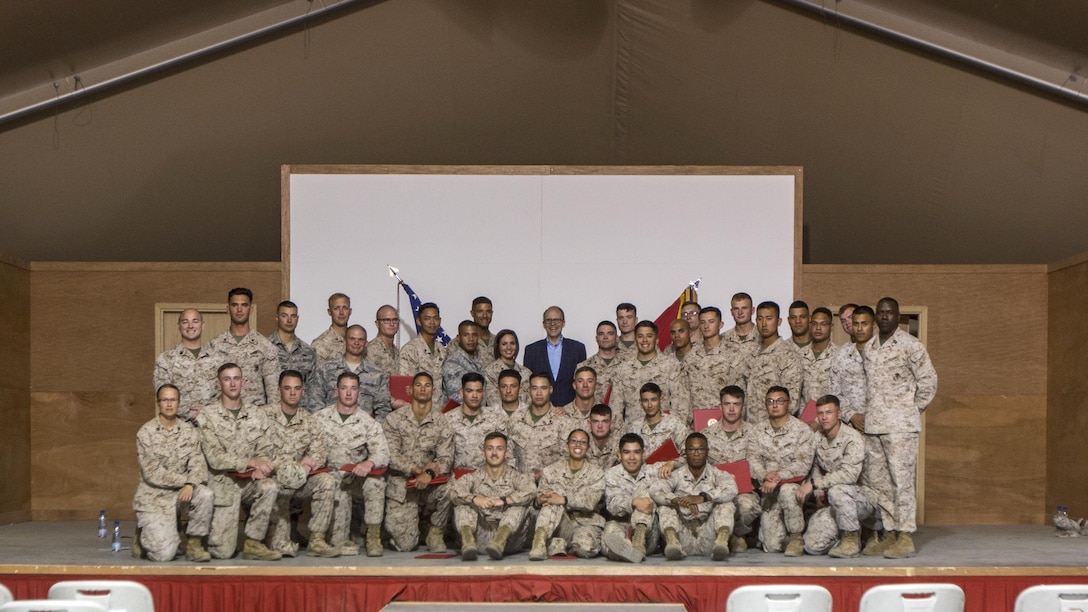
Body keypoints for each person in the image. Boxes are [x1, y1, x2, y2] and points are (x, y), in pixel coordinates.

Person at [862, 297, 938, 559]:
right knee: (880, 483)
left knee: (901, 481)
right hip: (874, 426)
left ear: (897, 316)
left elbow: (928, 381)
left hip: (900, 427)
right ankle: (890, 533)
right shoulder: (870, 347)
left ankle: (905, 536)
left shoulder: (910, 345)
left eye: (889, 313)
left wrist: (911, 410)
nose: (884, 317)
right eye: (880, 313)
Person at [198, 363, 281, 560]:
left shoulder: (257, 414)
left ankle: (253, 542)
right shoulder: (207, 416)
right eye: (227, 379)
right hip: (222, 483)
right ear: (219, 384)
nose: (232, 384)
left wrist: (262, 467)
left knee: (269, 486)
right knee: (222, 553)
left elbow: (266, 448)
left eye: (236, 379)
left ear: (243, 382)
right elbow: (215, 458)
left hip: (249, 481)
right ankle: (194, 536)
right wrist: (251, 462)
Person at [798, 395, 887, 558]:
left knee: (837, 491)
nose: (824, 417)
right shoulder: (817, 438)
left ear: (839, 414)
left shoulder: (852, 438)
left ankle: (851, 541)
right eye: (820, 413)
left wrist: (815, 484)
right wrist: (818, 493)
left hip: (862, 497)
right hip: (834, 500)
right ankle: (846, 534)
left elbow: (849, 475)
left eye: (829, 412)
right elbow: (816, 466)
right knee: (812, 546)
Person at [132, 384, 213, 562]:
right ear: (158, 403)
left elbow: (198, 465)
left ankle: (193, 545)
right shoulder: (146, 433)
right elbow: (153, 473)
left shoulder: (189, 431)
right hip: (155, 497)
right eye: (165, 400)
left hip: (181, 493)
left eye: (173, 400)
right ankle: (143, 531)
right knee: (164, 555)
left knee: (205, 495)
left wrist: (191, 484)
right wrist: (186, 481)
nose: (169, 404)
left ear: (178, 402)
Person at [263, 370, 338, 558]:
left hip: (301, 478)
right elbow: (255, 450)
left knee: (326, 481)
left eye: (297, 389)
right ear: (279, 390)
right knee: (281, 549)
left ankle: (317, 540)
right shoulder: (263, 416)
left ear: (303, 392)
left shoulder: (309, 421)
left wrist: (308, 466)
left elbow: (320, 451)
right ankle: (277, 539)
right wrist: (288, 465)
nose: (292, 393)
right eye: (287, 388)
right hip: (273, 479)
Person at [317, 371, 390, 557]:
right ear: (336, 391)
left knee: (377, 483)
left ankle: (373, 536)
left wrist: (369, 462)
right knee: (338, 543)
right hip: (331, 477)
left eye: (353, 389)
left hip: (357, 477)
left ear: (359, 392)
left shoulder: (368, 422)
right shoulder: (319, 419)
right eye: (344, 388)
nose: (348, 393)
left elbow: (383, 452)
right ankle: (338, 535)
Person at [382, 372, 454, 553]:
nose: (423, 389)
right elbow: (390, 454)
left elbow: (446, 458)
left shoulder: (442, 422)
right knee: (406, 545)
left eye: (427, 385)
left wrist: (429, 474)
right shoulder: (394, 419)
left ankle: (435, 531)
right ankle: (412, 524)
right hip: (402, 487)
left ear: (434, 390)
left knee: (453, 488)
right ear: (410, 389)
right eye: (419, 385)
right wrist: (417, 469)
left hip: (429, 484)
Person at [748, 386, 815, 556]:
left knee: (787, 491)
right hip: (768, 492)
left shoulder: (802, 430)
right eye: (770, 401)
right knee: (772, 546)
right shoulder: (757, 431)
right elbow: (752, 458)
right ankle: (785, 535)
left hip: (795, 488)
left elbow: (802, 463)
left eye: (780, 401)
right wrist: (764, 475)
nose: (775, 405)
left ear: (789, 404)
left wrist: (778, 477)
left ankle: (796, 537)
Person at [652, 432, 737, 561]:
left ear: (707, 451)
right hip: (682, 535)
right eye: (691, 449)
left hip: (709, 535)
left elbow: (732, 488)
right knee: (666, 506)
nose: (696, 453)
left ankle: (722, 542)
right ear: (685, 453)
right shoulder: (677, 474)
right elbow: (655, 490)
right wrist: (677, 500)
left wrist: (704, 497)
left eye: (700, 449)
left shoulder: (716, 474)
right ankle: (672, 544)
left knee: (726, 503)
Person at [451, 431, 536, 560]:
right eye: (490, 448)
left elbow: (531, 491)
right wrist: (475, 498)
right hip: (478, 539)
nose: (494, 453)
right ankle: (467, 541)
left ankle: (499, 540)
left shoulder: (516, 477)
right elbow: (454, 491)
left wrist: (504, 500)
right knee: (463, 504)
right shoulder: (474, 477)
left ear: (506, 452)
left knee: (519, 506)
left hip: (509, 542)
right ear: (483, 451)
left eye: (499, 449)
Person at [699, 385, 760, 552]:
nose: (732, 409)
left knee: (746, 506)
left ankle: (737, 535)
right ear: (720, 407)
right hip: (716, 491)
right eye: (727, 404)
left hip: (744, 491)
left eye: (736, 404)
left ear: (743, 407)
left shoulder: (755, 433)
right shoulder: (706, 435)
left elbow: (762, 463)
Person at [530, 428, 606, 560]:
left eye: (582, 442)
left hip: (586, 523)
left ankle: (561, 545)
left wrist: (564, 499)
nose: (578, 445)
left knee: (586, 549)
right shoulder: (550, 470)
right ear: (567, 445)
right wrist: (541, 499)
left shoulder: (597, 473)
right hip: (559, 524)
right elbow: (540, 500)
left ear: (588, 447)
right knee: (551, 503)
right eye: (574, 441)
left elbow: (590, 502)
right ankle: (539, 543)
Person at [207, 288, 279, 406]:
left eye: (244, 305)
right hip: (222, 419)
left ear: (251, 310)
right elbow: (209, 388)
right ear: (228, 309)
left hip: (255, 418)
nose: (239, 310)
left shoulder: (265, 347)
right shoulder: (213, 346)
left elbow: (273, 392)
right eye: (234, 305)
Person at [614, 320, 692, 426]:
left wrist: (673, 434)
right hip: (632, 435)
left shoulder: (672, 366)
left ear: (656, 340)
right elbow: (615, 410)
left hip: (664, 434)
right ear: (635, 340)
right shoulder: (623, 369)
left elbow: (681, 407)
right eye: (640, 336)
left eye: (649, 336)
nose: (644, 340)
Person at [308, 325, 393, 419]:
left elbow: (384, 410)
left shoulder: (377, 375)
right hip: (330, 429)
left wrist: (373, 431)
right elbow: (315, 403)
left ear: (366, 343)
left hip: (363, 430)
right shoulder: (326, 369)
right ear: (344, 342)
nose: (356, 343)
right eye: (352, 339)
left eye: (360, 340)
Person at [601, 433, 660, 563]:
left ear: (643, 453)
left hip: (647, 529)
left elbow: (684, 463)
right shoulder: (612, 474)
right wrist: (633, 502)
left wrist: (672, 463)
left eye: (636, 452)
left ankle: (638, 541)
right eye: (627, 452)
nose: (632, 457)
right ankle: (629, 551)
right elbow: (612, 506)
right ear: (619, 455)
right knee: (610, 537)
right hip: (621, 522)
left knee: (644, 497)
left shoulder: (654, 472)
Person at [153, 308, 217, 421]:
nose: (190, 325)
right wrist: (189, 413)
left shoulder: (217, 359)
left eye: (195, 321)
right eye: (185, 321)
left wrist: (208, 413)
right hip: (178, 428)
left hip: (212, 427)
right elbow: (163, 395)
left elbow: (227, 393)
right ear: (179, 326)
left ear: (203, 325)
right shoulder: (166, 359)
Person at [745, 301, 803, 423]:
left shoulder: (788, 356)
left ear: (779, 321)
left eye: (769, 318)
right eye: (760, 319)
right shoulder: (750, 353)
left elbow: (792, 403)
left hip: (774, 430)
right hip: (750, 429)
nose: (764, 324)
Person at [684, 306, 748, 411]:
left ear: (720, 325)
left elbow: (740, 391)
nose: (706, 326)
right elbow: (685, 393)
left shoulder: (734, 353)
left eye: (711, 321)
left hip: (726, 417)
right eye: (703, 322)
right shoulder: (690, 355)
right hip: (697, 419)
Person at [523, 306, 587, 407]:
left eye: (557, 320)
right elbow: (527, 384)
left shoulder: (578, 349)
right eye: (549, 320)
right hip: (541, 409)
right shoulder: (531, 350)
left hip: (570, 410)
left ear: (563, 323)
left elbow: (582, 382)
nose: (552, 324)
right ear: (543, 324)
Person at [445, 372, 510, 471]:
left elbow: (508, 451)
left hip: (487, 478)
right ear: (462, 393)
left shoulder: (496, 418)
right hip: (458, 479)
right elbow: (443, 455)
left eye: (478, 391)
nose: (474, 395)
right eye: (469, 391)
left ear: (483, 393)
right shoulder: (447, 420)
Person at [508, 372, 570, 476]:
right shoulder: (516, 418)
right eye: (534, 388)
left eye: (544, 388)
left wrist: (546, 474)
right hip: (521, 485)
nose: (539, 393)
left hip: (551, 485)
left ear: (551, 389)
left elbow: (567, 458)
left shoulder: (563, 422)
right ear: (529, 390)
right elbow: (508, 453)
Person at [626, 383, 689, 478]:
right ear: (640, 402)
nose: (650, 405)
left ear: (661, 400)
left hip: (669, 477)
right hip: (642, 478)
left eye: (654, 400)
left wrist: (673, 463)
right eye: (645, 401)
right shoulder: (634, 428)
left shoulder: (675, 424)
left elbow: (688, 454)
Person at [396, 302, 450, 406]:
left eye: (435, 318)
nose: (432, 322)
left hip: (439, 412)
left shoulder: (442, 350)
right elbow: (407, 387)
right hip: (418, 410)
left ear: (440, 321)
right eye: (427, 318)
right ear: (419, 321)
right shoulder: (410, 350)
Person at [268, 301, 318, 409]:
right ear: (277, 317)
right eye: (284, 316)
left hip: (301, 416)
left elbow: (313, 389)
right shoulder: (266, 348)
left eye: (293, 316)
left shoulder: (308, 351)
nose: (289, 320)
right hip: (273, 415)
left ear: (297, 318)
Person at [578, 320, 627, 404]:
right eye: (601, 334)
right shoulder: (583, 367)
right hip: (594, 415)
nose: (605, 337)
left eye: (610, 333)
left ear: (617, 338)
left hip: (623, 416)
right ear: (596, 338)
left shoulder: (629, 364)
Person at [799, 307, 837, 410]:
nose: (818, 328)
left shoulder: (839, 355)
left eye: (823, 324)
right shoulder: (799, 355)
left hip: (829, 417)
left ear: (831, 327)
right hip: (803, 419)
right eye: (814, 324)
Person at [442, 320, 487, 405]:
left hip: (482, 415)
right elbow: (458, 400)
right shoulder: (452, 364)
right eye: (466, 335)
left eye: (474, 335)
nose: (471, 339)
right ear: (458, 338)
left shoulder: (478, 361)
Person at [483, 329, 531, 407]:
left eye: (512, 343)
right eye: (504, 344)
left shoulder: (526, 372)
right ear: (498, 346)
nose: (509, 347)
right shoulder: (490, 372)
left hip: (524, 417)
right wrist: (520, 394)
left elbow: (532, 402)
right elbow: (494, 402)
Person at [312, 293, 352, 363]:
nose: (341, 312)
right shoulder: (320, 344)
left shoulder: (357, 342)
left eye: (345, 308)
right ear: (329, 312)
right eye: (336, 308)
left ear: (350, 311)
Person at [721, 292, 760, 359]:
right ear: (731, 312)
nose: (740, 312)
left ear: (752, 310)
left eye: (744, 308)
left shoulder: (762, 337)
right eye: (736, 309)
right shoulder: (723, 339)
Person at [586, 403, 622, 471]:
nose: (600, 426)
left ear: (611, 424)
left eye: (605, 421)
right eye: (596, 421)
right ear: (589, 424)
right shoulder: (582, 445)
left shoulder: (620, 446)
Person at [367, 305, 401, 375]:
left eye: (395, 320)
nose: (392, 324)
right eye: (387, 320)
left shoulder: (397, 352)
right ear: (377, 324)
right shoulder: (370, 350)